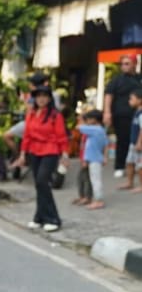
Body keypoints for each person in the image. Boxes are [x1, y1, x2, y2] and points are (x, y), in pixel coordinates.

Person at [13, 85, 69, 232]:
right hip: (34, 151)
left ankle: (53, 218)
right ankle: (39, 217)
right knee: (39, 185)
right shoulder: (31, 113)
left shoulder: (55, 115)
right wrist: (22, 154)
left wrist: (65, 154)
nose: (41, 99)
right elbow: (27, 136)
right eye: (38, 96)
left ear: (49, 98)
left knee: (42, 181)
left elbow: (61, 136)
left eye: (44, 96)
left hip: (50, 151)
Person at [104, 55, 142, 178]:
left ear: (134, 64)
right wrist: (107, 112)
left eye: (127, 63)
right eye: (123, 64)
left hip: (138, 115)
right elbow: (108, 95)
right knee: (123, 140)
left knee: (137, 140)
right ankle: (120, 166)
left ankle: (136, 166)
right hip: (121, 115)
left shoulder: (139, 78)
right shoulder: (116, 80)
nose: (124, 66)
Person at [74, 110, 109, 209]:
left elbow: (78, 127)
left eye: (89, 119)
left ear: (94, 120)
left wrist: (81, 118)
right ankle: (95, 199)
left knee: (95, 180)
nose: (87, 121)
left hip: (94, 159)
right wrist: (105, 157)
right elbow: (106, 145)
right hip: (96, 158)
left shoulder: (94, 129)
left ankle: (98, 201)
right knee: (94, 179)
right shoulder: (101, 130)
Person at [120, 88, 142, 192]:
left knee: (140, 165)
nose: (129, 101)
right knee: (129, 162)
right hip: (133, 143)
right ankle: (130, 182)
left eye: (132, 99)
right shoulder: (136, 112)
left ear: (140, 100)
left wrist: (139, 142)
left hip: (139, 143)